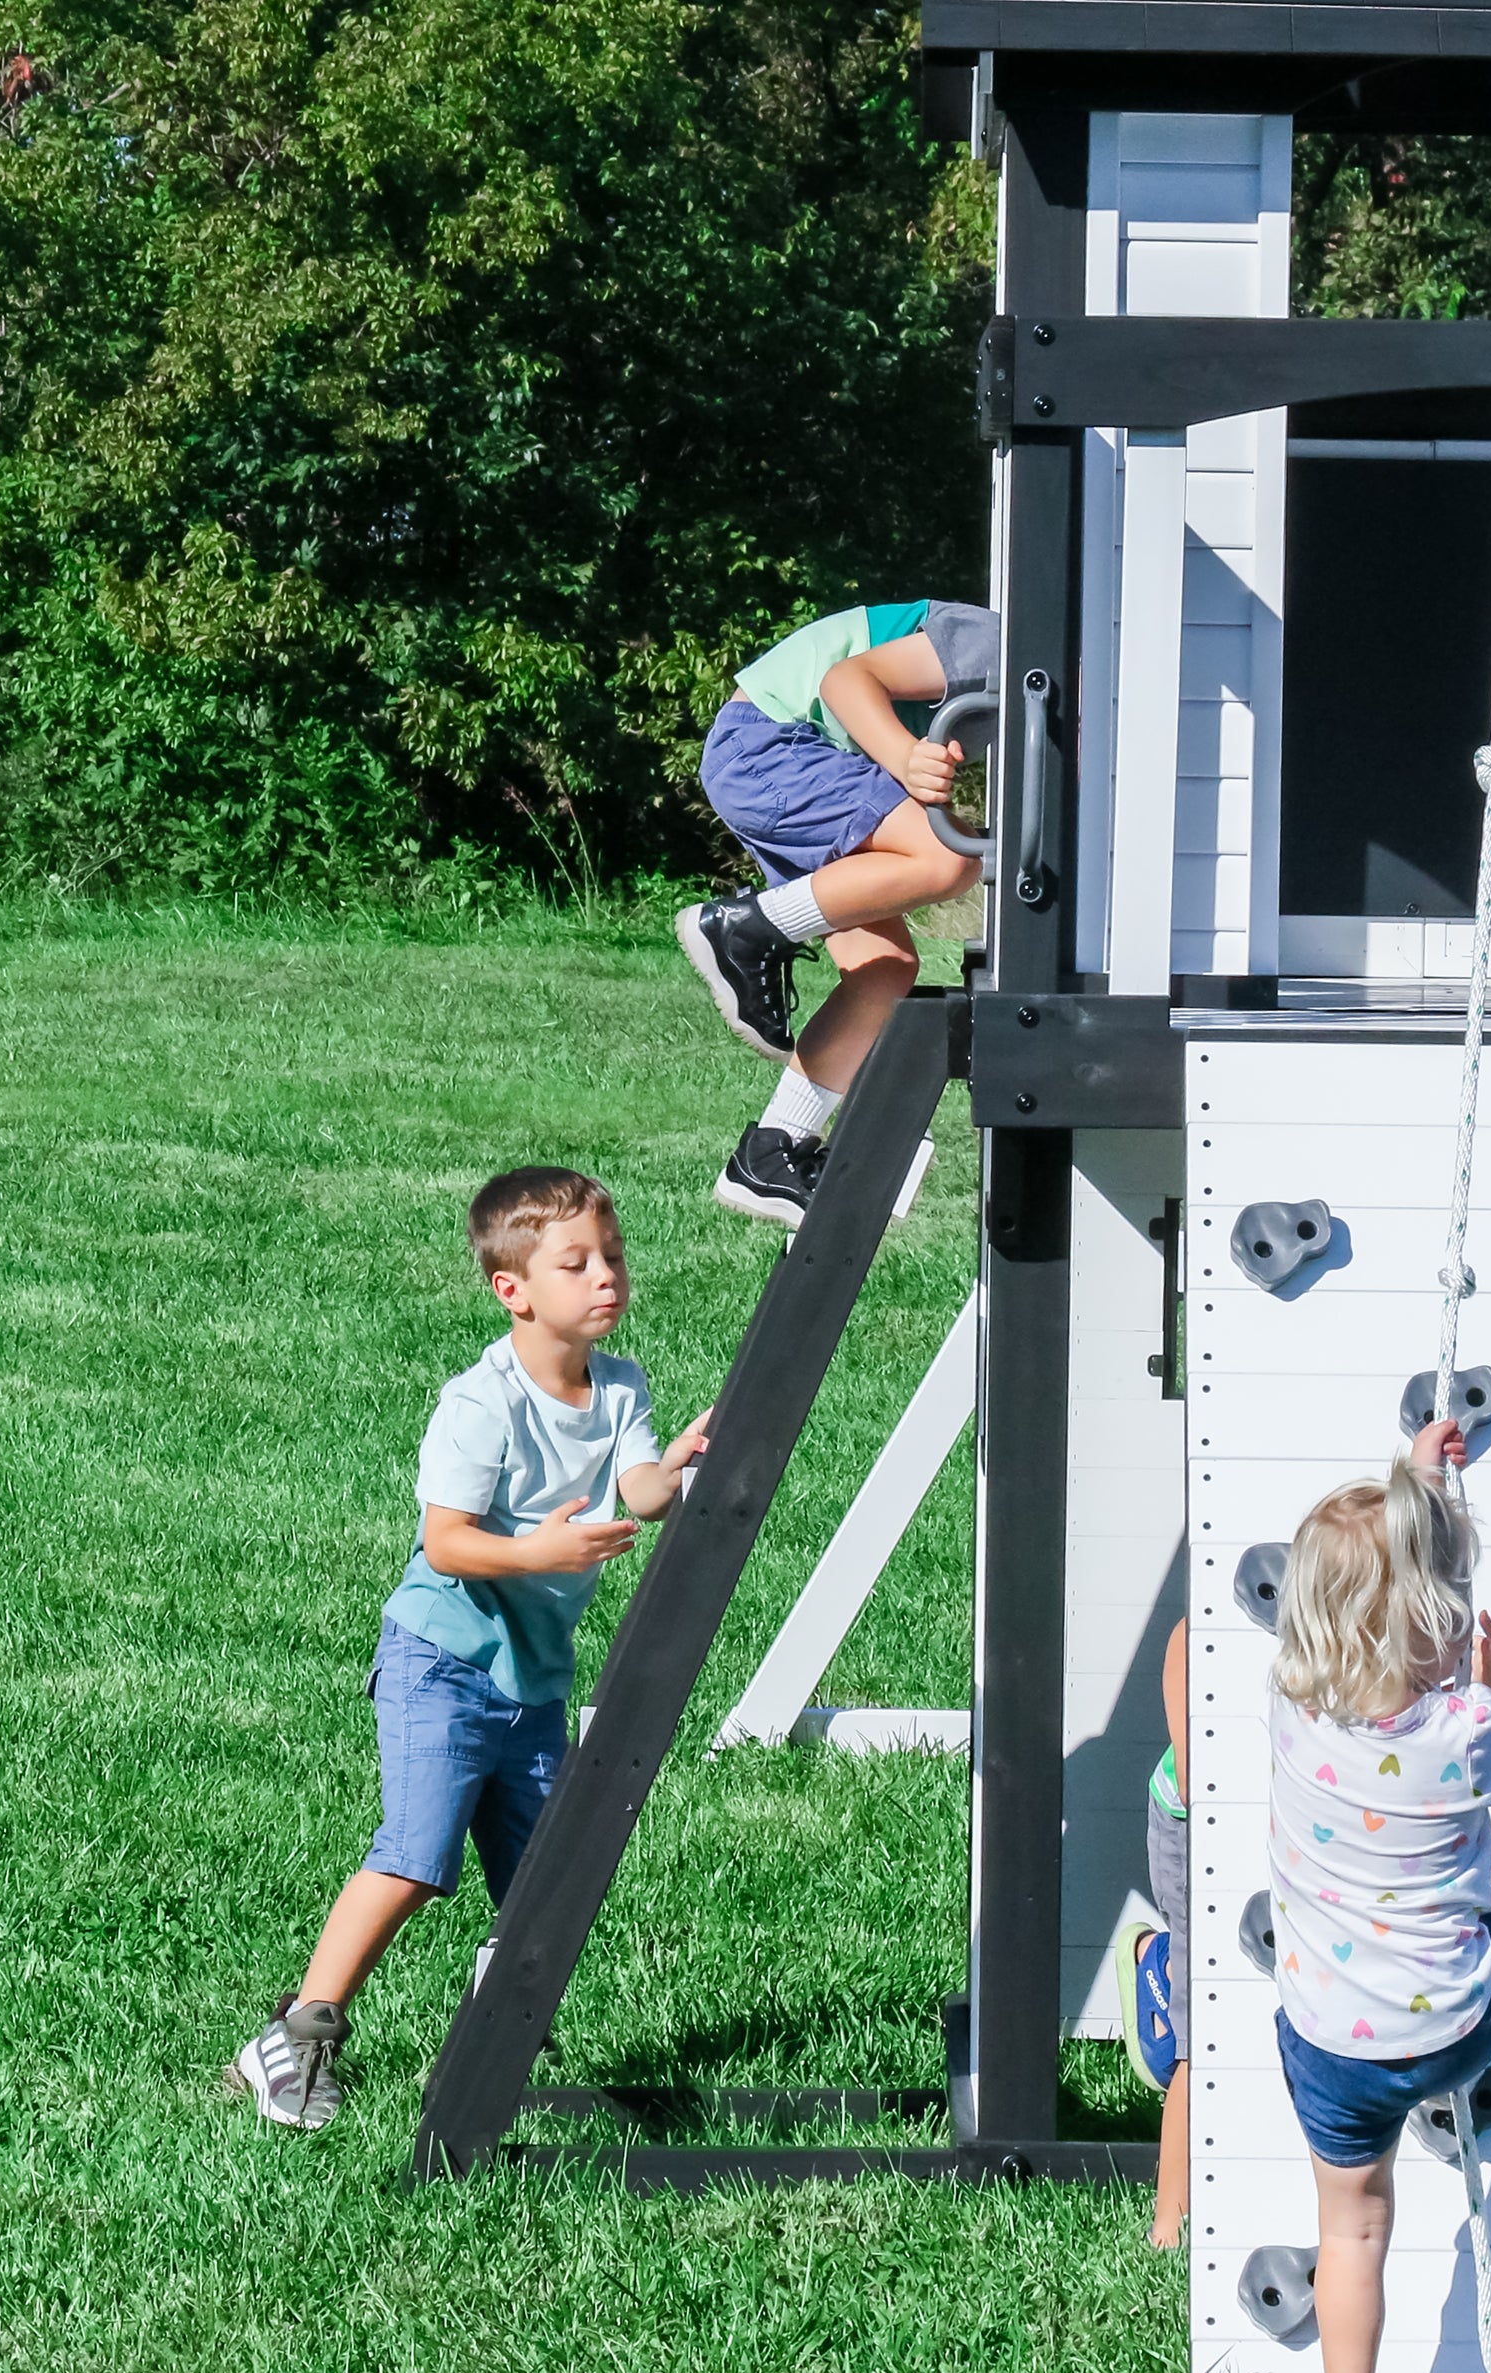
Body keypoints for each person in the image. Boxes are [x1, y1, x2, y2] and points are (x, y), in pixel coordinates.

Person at [229, 1166, 710, 2129]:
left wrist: (692, 1460)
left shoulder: (619, 1387)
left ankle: (497, 2021)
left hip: (532, 1681)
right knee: (415, 1856)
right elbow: (446, 1540)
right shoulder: (481, 1401)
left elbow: (643, 1488)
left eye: (612, 1257)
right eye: (575, 1264)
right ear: (513, 1289)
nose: (606, 1278)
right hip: (440, 1663)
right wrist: (541, 1549)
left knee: (548, 1879)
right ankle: (297, 2035)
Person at [1266, 1421, 1491, 2373]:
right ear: (1432, 1625)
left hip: (1332, 2044)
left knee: (1353, 2224)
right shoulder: (1471, 1729)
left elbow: (1368, 1583)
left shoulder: (1290, 1703)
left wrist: (1424, 1479)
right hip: (1446, 2030)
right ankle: (1462, 2053)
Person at [678, 599, 997, 1225]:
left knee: (884, 969)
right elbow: (845, 680)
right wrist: (905, 757)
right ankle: (746, 932)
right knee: (948, 857)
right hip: (772, 742)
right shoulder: (1002, 643)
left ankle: (771, 1156)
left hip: (780, 757)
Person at [1116, 1620, 1192, 2247]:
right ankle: (1168, 2229)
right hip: (1191, 1829)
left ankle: (1168, 1967)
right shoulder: (1194, 1638)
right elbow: (1198, 1779)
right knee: (1195, 2052)